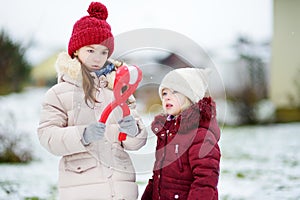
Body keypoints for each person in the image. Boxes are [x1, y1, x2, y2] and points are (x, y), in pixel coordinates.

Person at [37, 2, 147, 200]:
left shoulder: (119, 89)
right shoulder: (59, 93)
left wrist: (134, 131)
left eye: (104, 52)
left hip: (121, 189)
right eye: (90, 50)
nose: (98, 58)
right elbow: (48, 136)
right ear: (76, 51)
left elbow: (135, 143)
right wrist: (83, 134)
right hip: (82, 189)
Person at [141, 68, 221, 200]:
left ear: (191, 96)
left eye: (175, 92)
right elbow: (158, 177)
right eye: (165, 93)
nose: (167, 97)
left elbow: (206, 179)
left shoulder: (200, 134)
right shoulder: (166, 133)